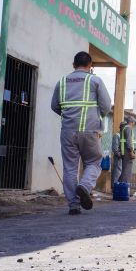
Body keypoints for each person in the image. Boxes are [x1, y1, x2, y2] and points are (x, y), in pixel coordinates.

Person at [50, 51, 112, 214]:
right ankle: (84, 186)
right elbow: (106, 106)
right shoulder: (95, 80)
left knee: (70, 168)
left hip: (68, 131)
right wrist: (97, 119)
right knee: (94, 161)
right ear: (90, 66)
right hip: (89, 131)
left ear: (73, 65)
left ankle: (74, 205)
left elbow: (55, 106)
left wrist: (69, 116)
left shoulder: (61, 82)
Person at [119, 116, 136, 184]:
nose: (134, 124)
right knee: (127, 172)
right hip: (127, 152)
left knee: (125, 171)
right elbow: (129, 141)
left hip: (125, 152)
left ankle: (120, 187)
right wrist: (131, 152)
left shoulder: (125, 128)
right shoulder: (128, 128)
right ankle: (124, 189)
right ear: (131, 122)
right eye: (134, 122)